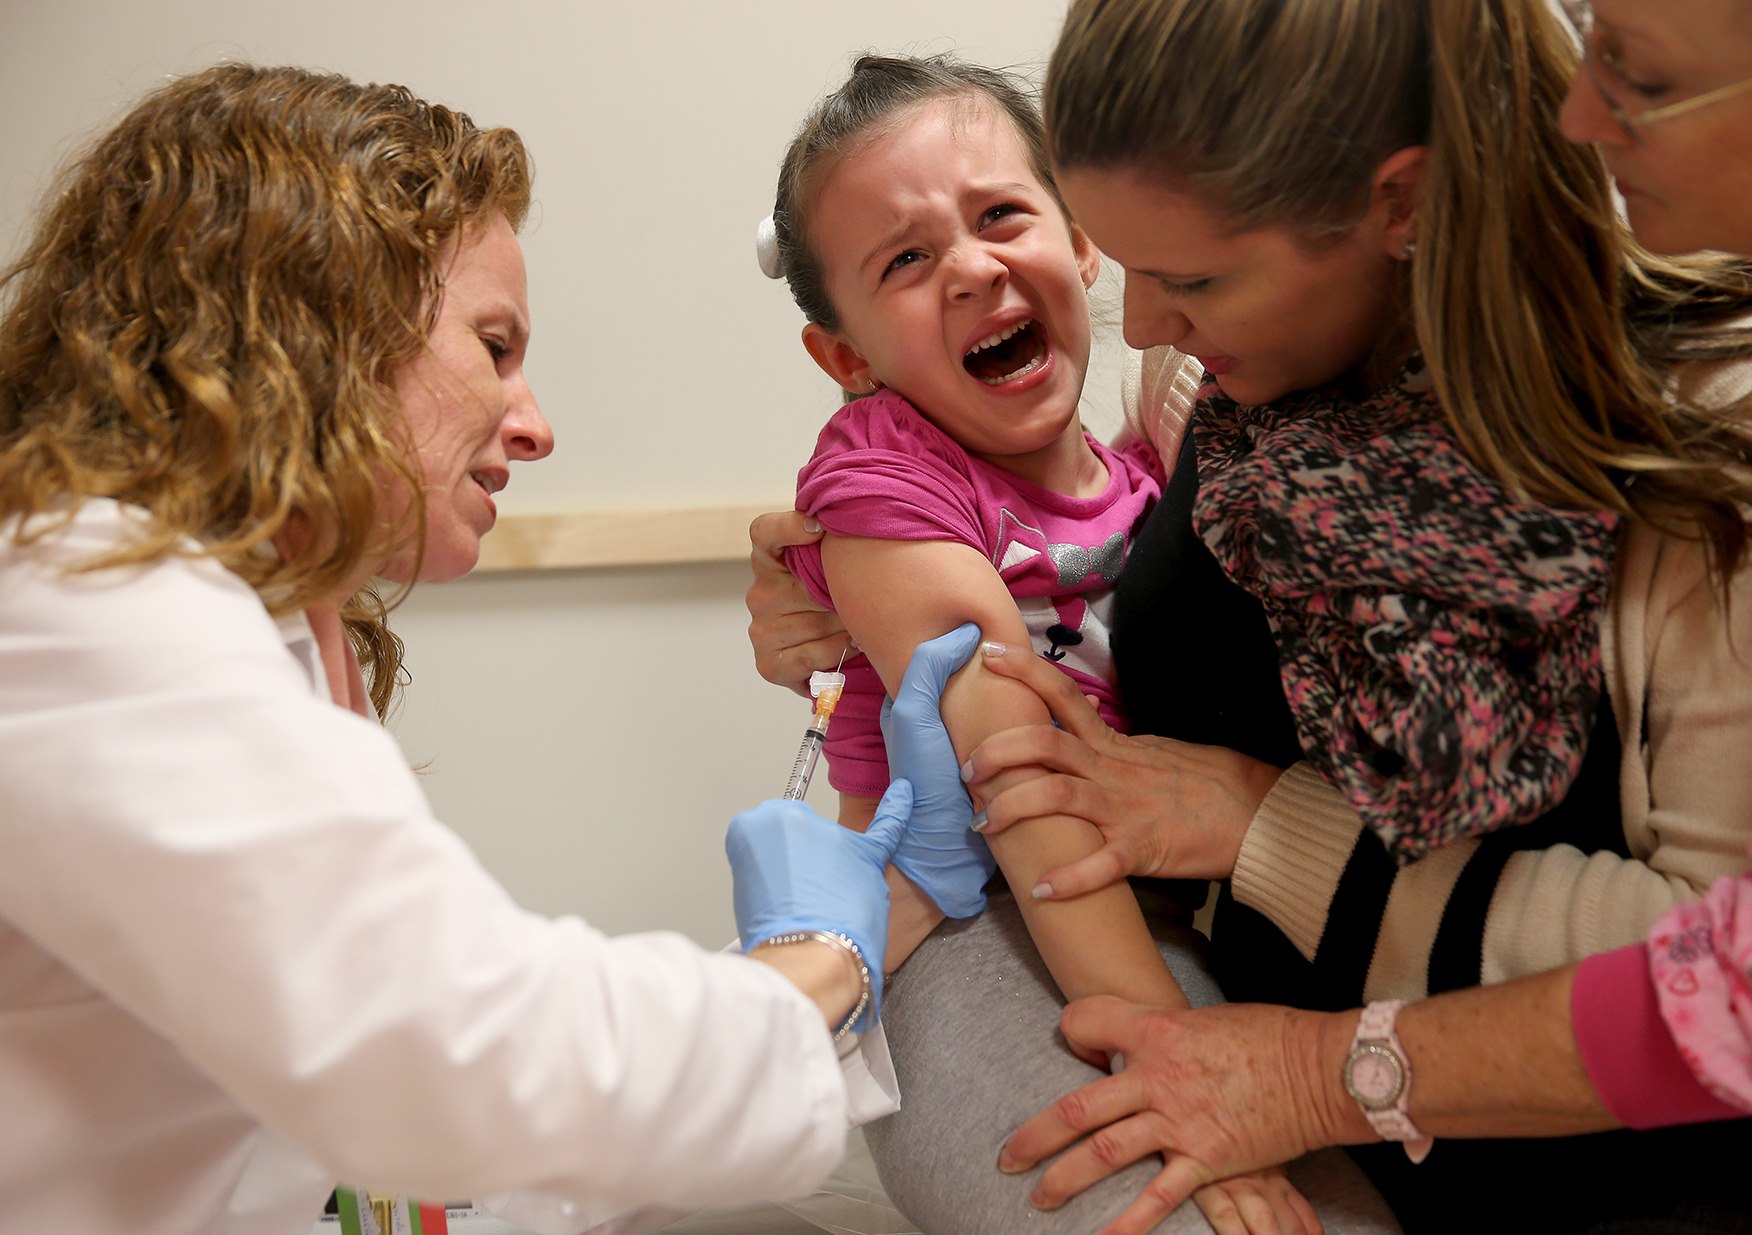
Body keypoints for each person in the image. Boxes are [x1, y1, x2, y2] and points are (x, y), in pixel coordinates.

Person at [744, 0, 1752, 1231]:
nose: (1144, 321)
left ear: (1400, 206)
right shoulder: (1205, 380)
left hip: (1576, 1142)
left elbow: (1715, 972)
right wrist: (850, 594)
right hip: (1200, 997)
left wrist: (1261, 835)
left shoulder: (1705, 459)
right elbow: (1049, 643)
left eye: (1192, 277)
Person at [0, 61, 979, 1235]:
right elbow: (452, 1061)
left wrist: (885, 906)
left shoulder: (264, 622)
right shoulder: (92, 606)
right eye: (494, 345)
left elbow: (453, 1127)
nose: (536, 424)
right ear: (318, 321)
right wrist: (821, 955)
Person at [762, 51, 1338, 1235]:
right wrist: (1166, 1055)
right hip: (980, 915)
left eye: (1001, 216)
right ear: (848, 357)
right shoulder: (883, 476)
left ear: (1083, 243)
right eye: (904, 260)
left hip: (1172, 911)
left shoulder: (1152, 477)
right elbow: (1022, 784)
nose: (972, 268)